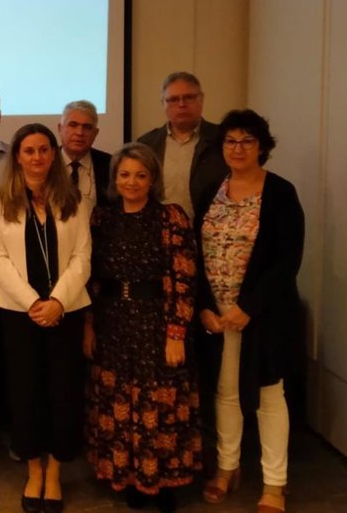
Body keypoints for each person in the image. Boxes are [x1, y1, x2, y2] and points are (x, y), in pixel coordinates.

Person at [83, 143, 201, 512]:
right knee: (119, 401)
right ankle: (130, 478)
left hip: (156, 322)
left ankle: (161, 482)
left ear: (153, 179)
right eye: (124, 174)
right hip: (112, 321)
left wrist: (176, 333)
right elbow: (91, 279)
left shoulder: (170, 218)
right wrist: (89, 326)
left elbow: (184, 277)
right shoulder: (101, 219)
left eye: (140, 175)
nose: (131, 182)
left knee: (158, 403)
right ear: (114, 179)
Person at [197, 110, 303, 513]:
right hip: (219, 315)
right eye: (230, 141)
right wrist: (205, 306)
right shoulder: (212, 190)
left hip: (263, 316)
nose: (237, 149)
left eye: (246, 141)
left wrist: (249, 308)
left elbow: (287, 261)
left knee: (268, 395)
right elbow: (196, 252)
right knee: (225, 392)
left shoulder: (281, 193)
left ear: (262, 147)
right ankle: (228, 467)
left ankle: (275, 483)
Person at [0, 123, 91, 513]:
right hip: (18, 313)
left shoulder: (73, 199)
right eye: (28, 151)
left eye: (44, 149)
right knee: (24, 392)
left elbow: (82, 257)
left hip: (66, 311)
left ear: (53, 154)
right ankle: (33, 470)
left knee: (63, 392)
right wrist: (33, 302)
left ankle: (56, 472)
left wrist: (57, 301)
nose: (37, 157)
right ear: (17, 157)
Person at [136, 72, 227, 220]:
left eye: (189, 97)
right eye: (173, 99)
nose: (181, 104)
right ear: (163, 103)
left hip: (210, 228)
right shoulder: (147, 144)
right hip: (159, 230)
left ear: (201, 99)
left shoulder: (223, 140)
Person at [58, 100, 112, 212]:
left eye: (87, 127)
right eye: (73, 125)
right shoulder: (47, 162)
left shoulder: (110, 165)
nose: (79, 132)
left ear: (95, 133)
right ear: (60, 129)